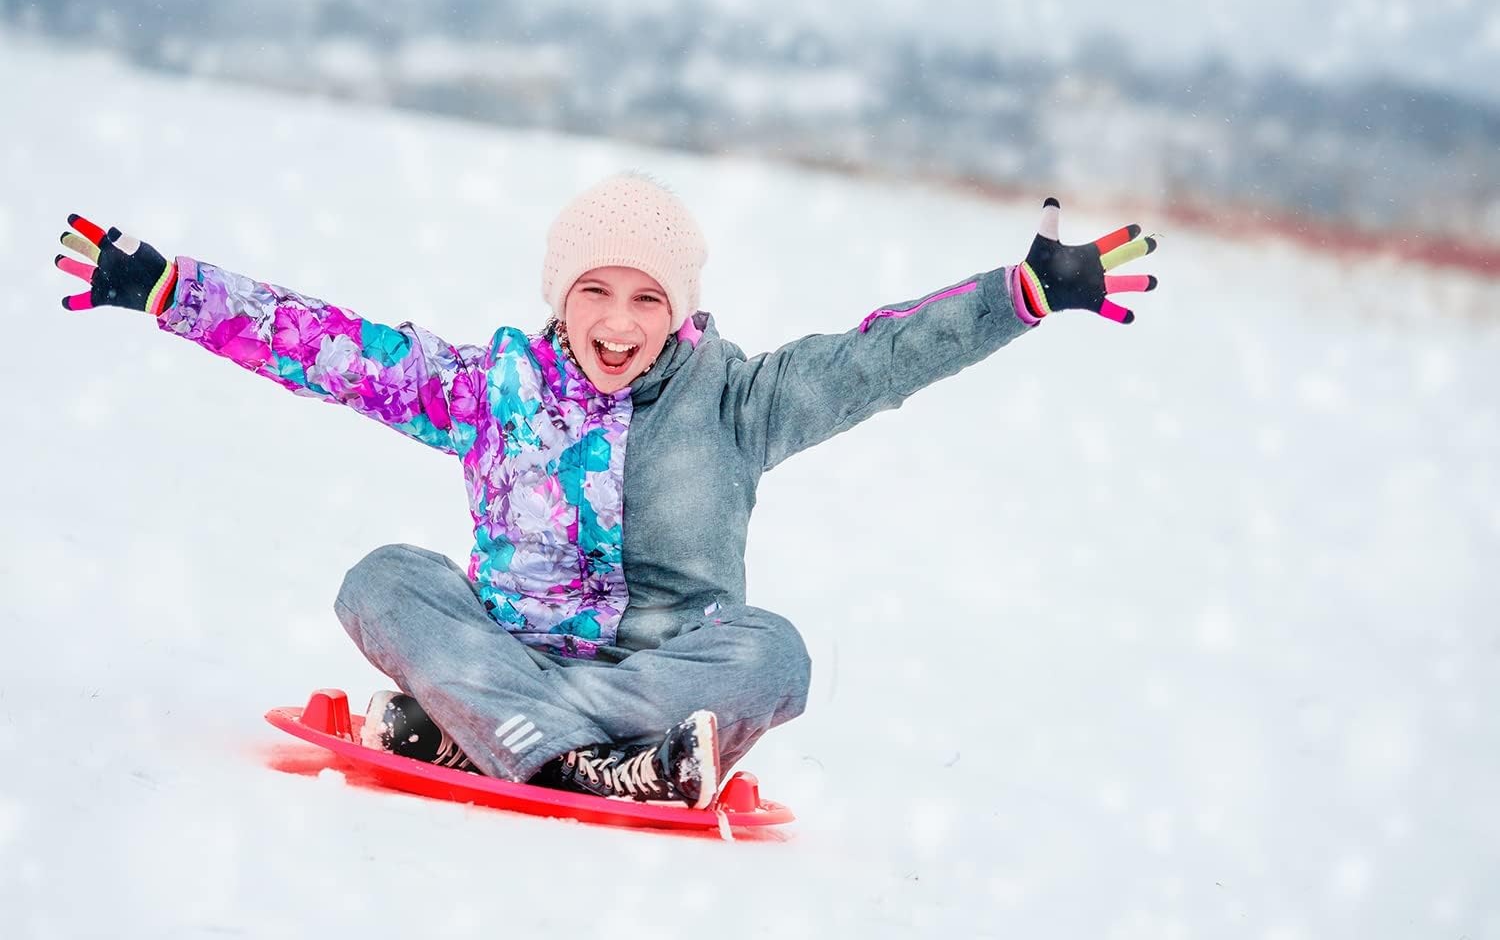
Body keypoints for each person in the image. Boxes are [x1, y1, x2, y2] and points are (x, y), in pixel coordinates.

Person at [54, 171, 1158, 809]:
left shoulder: (739, 400)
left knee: (773, 653)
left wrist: (1014, 296)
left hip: (663, 682)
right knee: (382, 581)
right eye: (595, 292)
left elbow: (876, 358)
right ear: (560, 295)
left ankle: (479, 732)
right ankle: (572, 755)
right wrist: (171, 291)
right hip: (510, 648)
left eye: (646, 298)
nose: (619, 324)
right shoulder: (495, 391)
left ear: (679, 308)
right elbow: (334, 348)